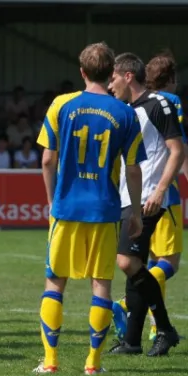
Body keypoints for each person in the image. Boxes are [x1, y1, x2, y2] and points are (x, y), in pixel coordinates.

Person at [34, 42, 146, 375]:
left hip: (67, 208)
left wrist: (52, 201)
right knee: (101, 285)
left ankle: (51, 361)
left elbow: (46, 159)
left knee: (55, 282)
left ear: (82, 72)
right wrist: (136, 211)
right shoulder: (125, 112)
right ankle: (93, 364)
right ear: (111, 72)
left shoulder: (61, 105)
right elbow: (134, 168)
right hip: (106, 209)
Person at [108, 52, 183, 357]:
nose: (110, 85)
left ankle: (164, 328)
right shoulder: (127, 110)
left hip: (150, 199)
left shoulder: (158, 103)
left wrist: (160, 190)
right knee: (132, 264)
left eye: (113, 78)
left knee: (127, 261)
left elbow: (177, 151)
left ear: (128, 76)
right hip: (130, 198)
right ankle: (132, 341)